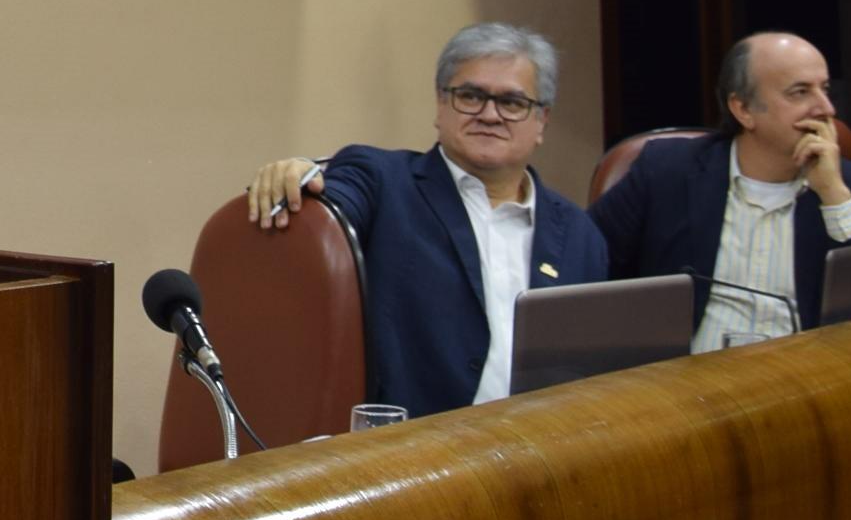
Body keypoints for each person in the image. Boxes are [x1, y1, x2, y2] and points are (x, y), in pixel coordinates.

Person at [245, 22, 608, 419]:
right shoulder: (382, 181)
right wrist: (298, 175)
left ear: (542, 120)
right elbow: (322, 213)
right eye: (470, 96)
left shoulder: (579, 233)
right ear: (440, 103)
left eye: (512, 102)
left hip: (542, 449)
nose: (490, 114)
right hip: (414, 454)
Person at [590, 31, 851, 347]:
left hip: (808, 388)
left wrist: (834, 196)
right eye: (800, 92)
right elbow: (589, 260)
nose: (825, 108)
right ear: (743, 109)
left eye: (825, 89)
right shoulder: (667, 171)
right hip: (683, 388)